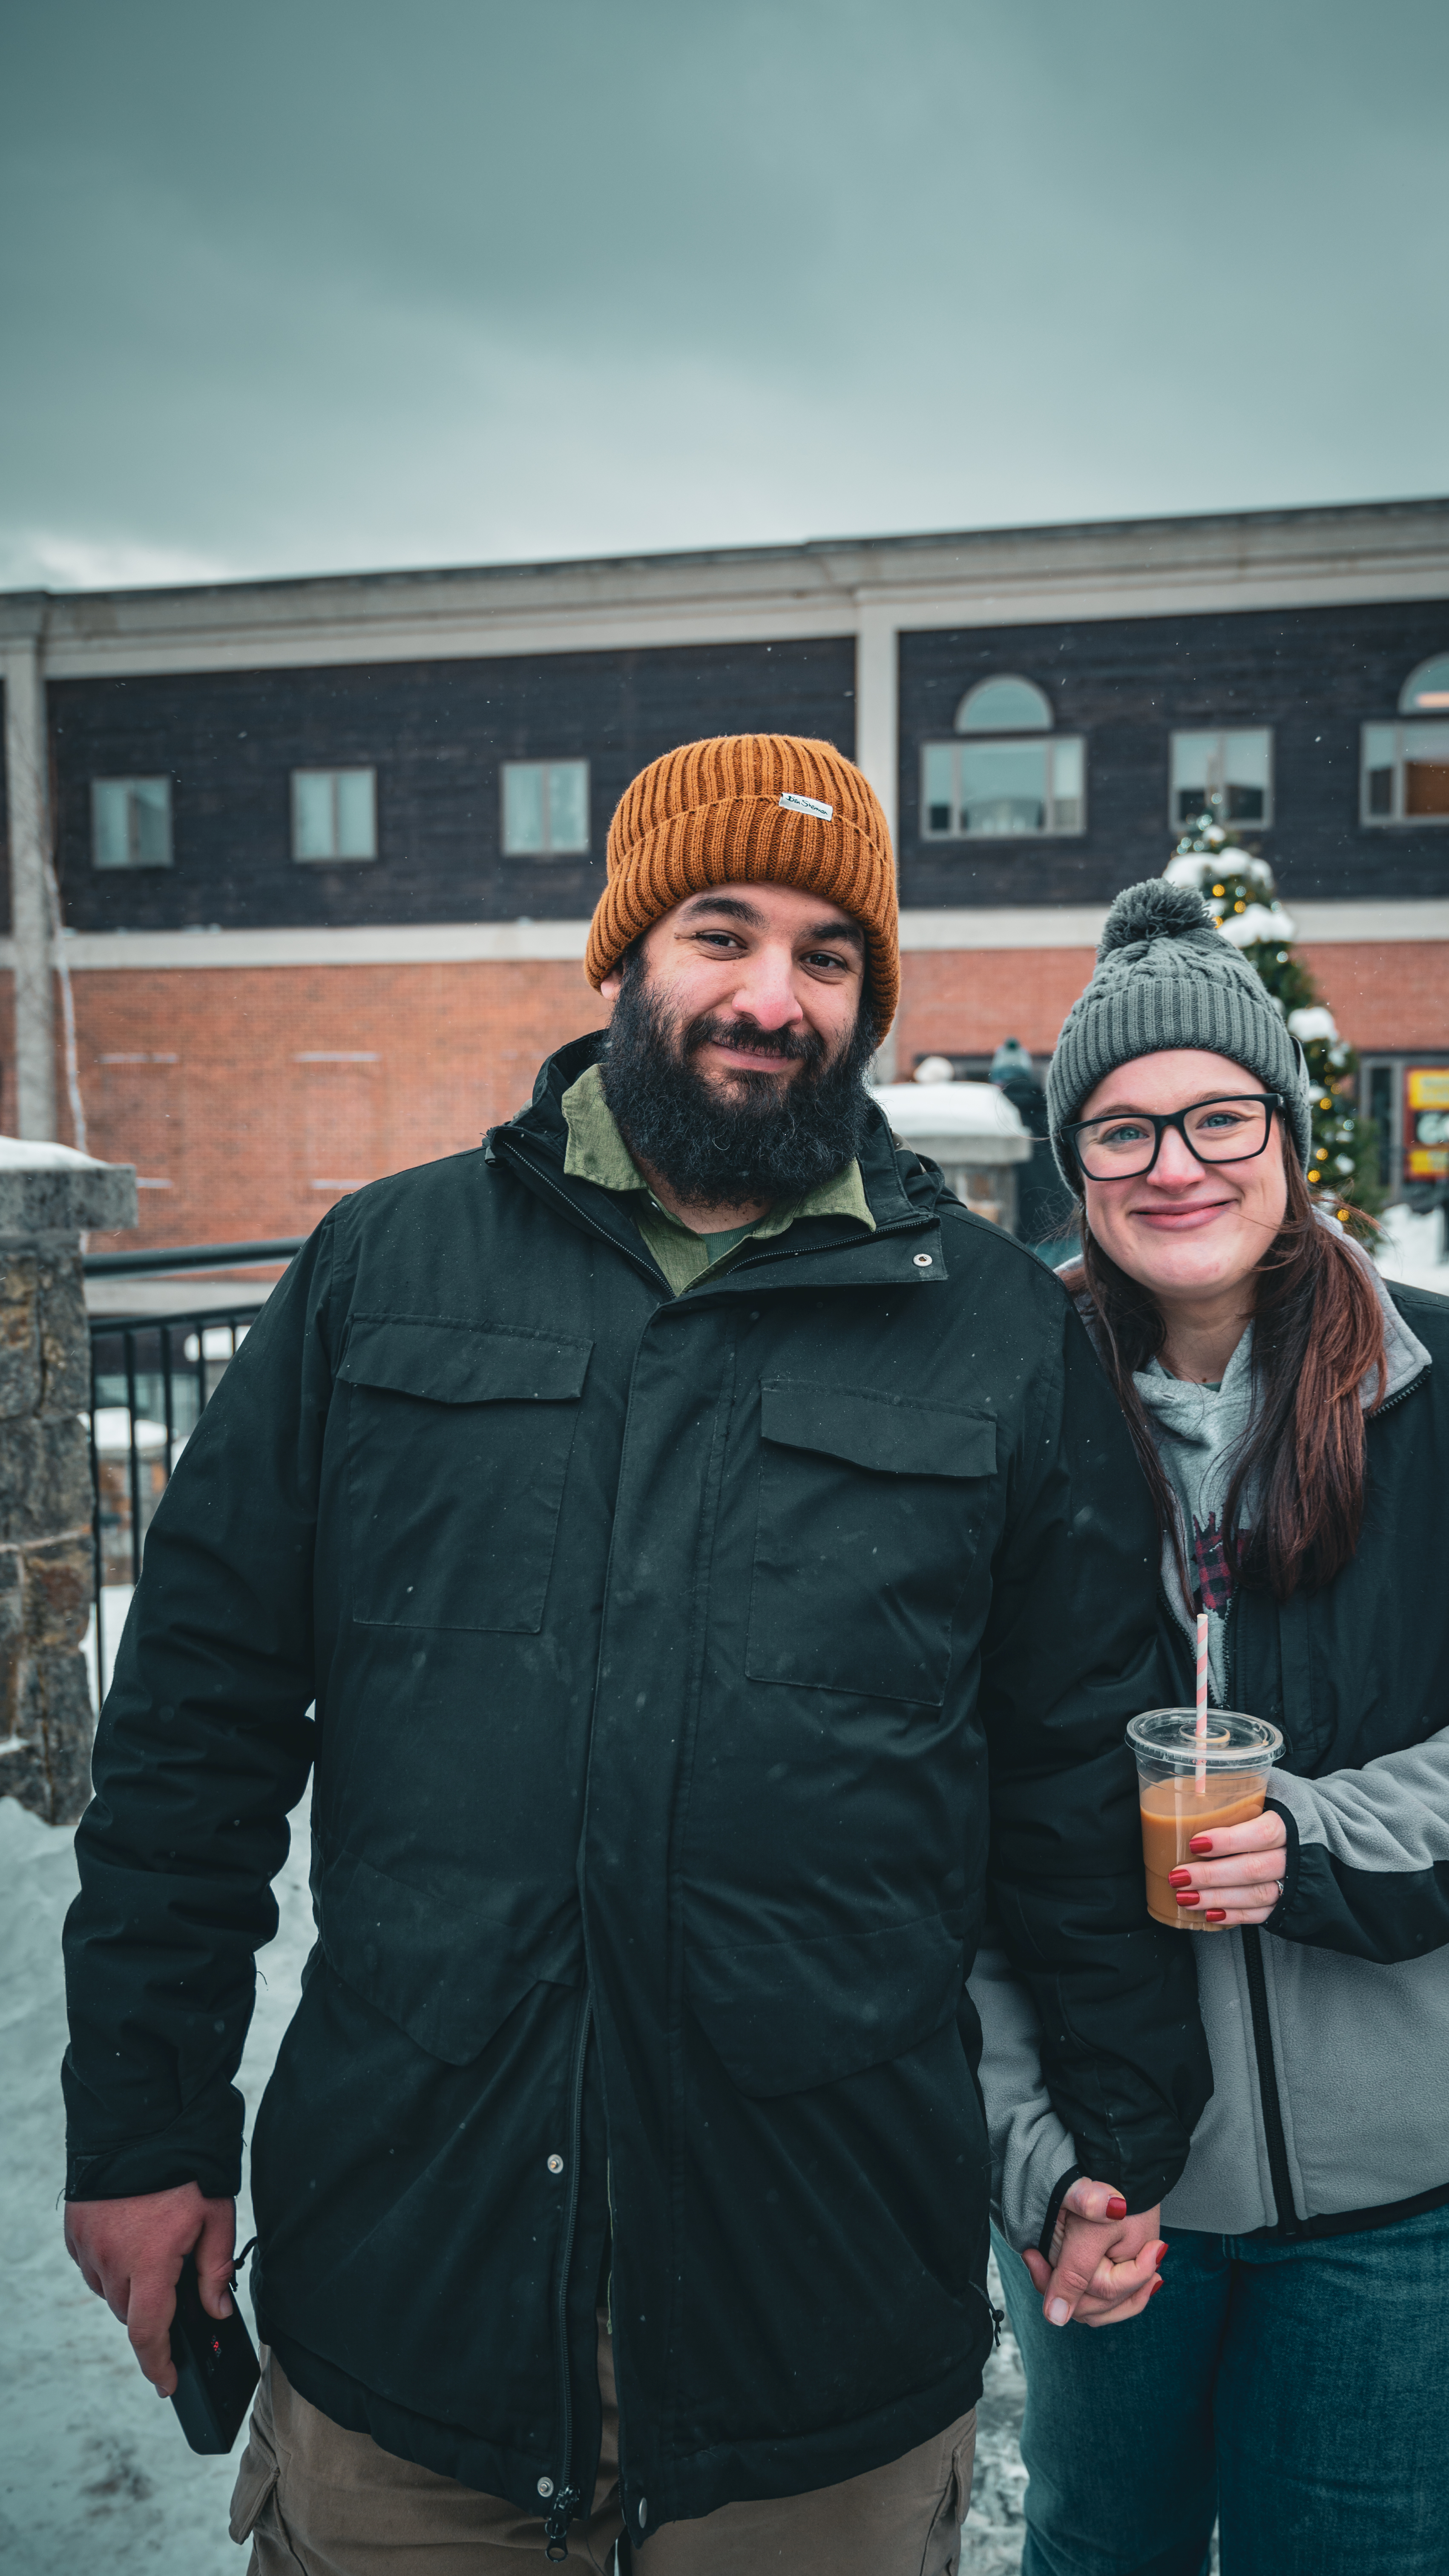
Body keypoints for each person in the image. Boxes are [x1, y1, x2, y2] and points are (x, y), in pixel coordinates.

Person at [60, 736, 1209, 2576]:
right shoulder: (383, 1272)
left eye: (830, 956)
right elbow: (193, 1725)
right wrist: (139, 2122)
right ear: (625, 949)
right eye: (721, 929)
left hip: (817, 2336)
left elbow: (1073, 1780)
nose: (769, 995)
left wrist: (1118, 2137)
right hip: (407, 2306)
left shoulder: (995, 1337)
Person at [972, 878, 1449, 2576]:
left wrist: (1315, 1838)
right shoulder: (993, 1424)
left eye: (1217, 1114)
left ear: (1287, 1138)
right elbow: (932, 1812)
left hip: (1402, 2199)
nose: (1173, 1163)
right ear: (1075, 1172)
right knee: (1097, 2551)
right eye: (1120, 1132)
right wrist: (1031, 2152)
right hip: (1109, 2182)